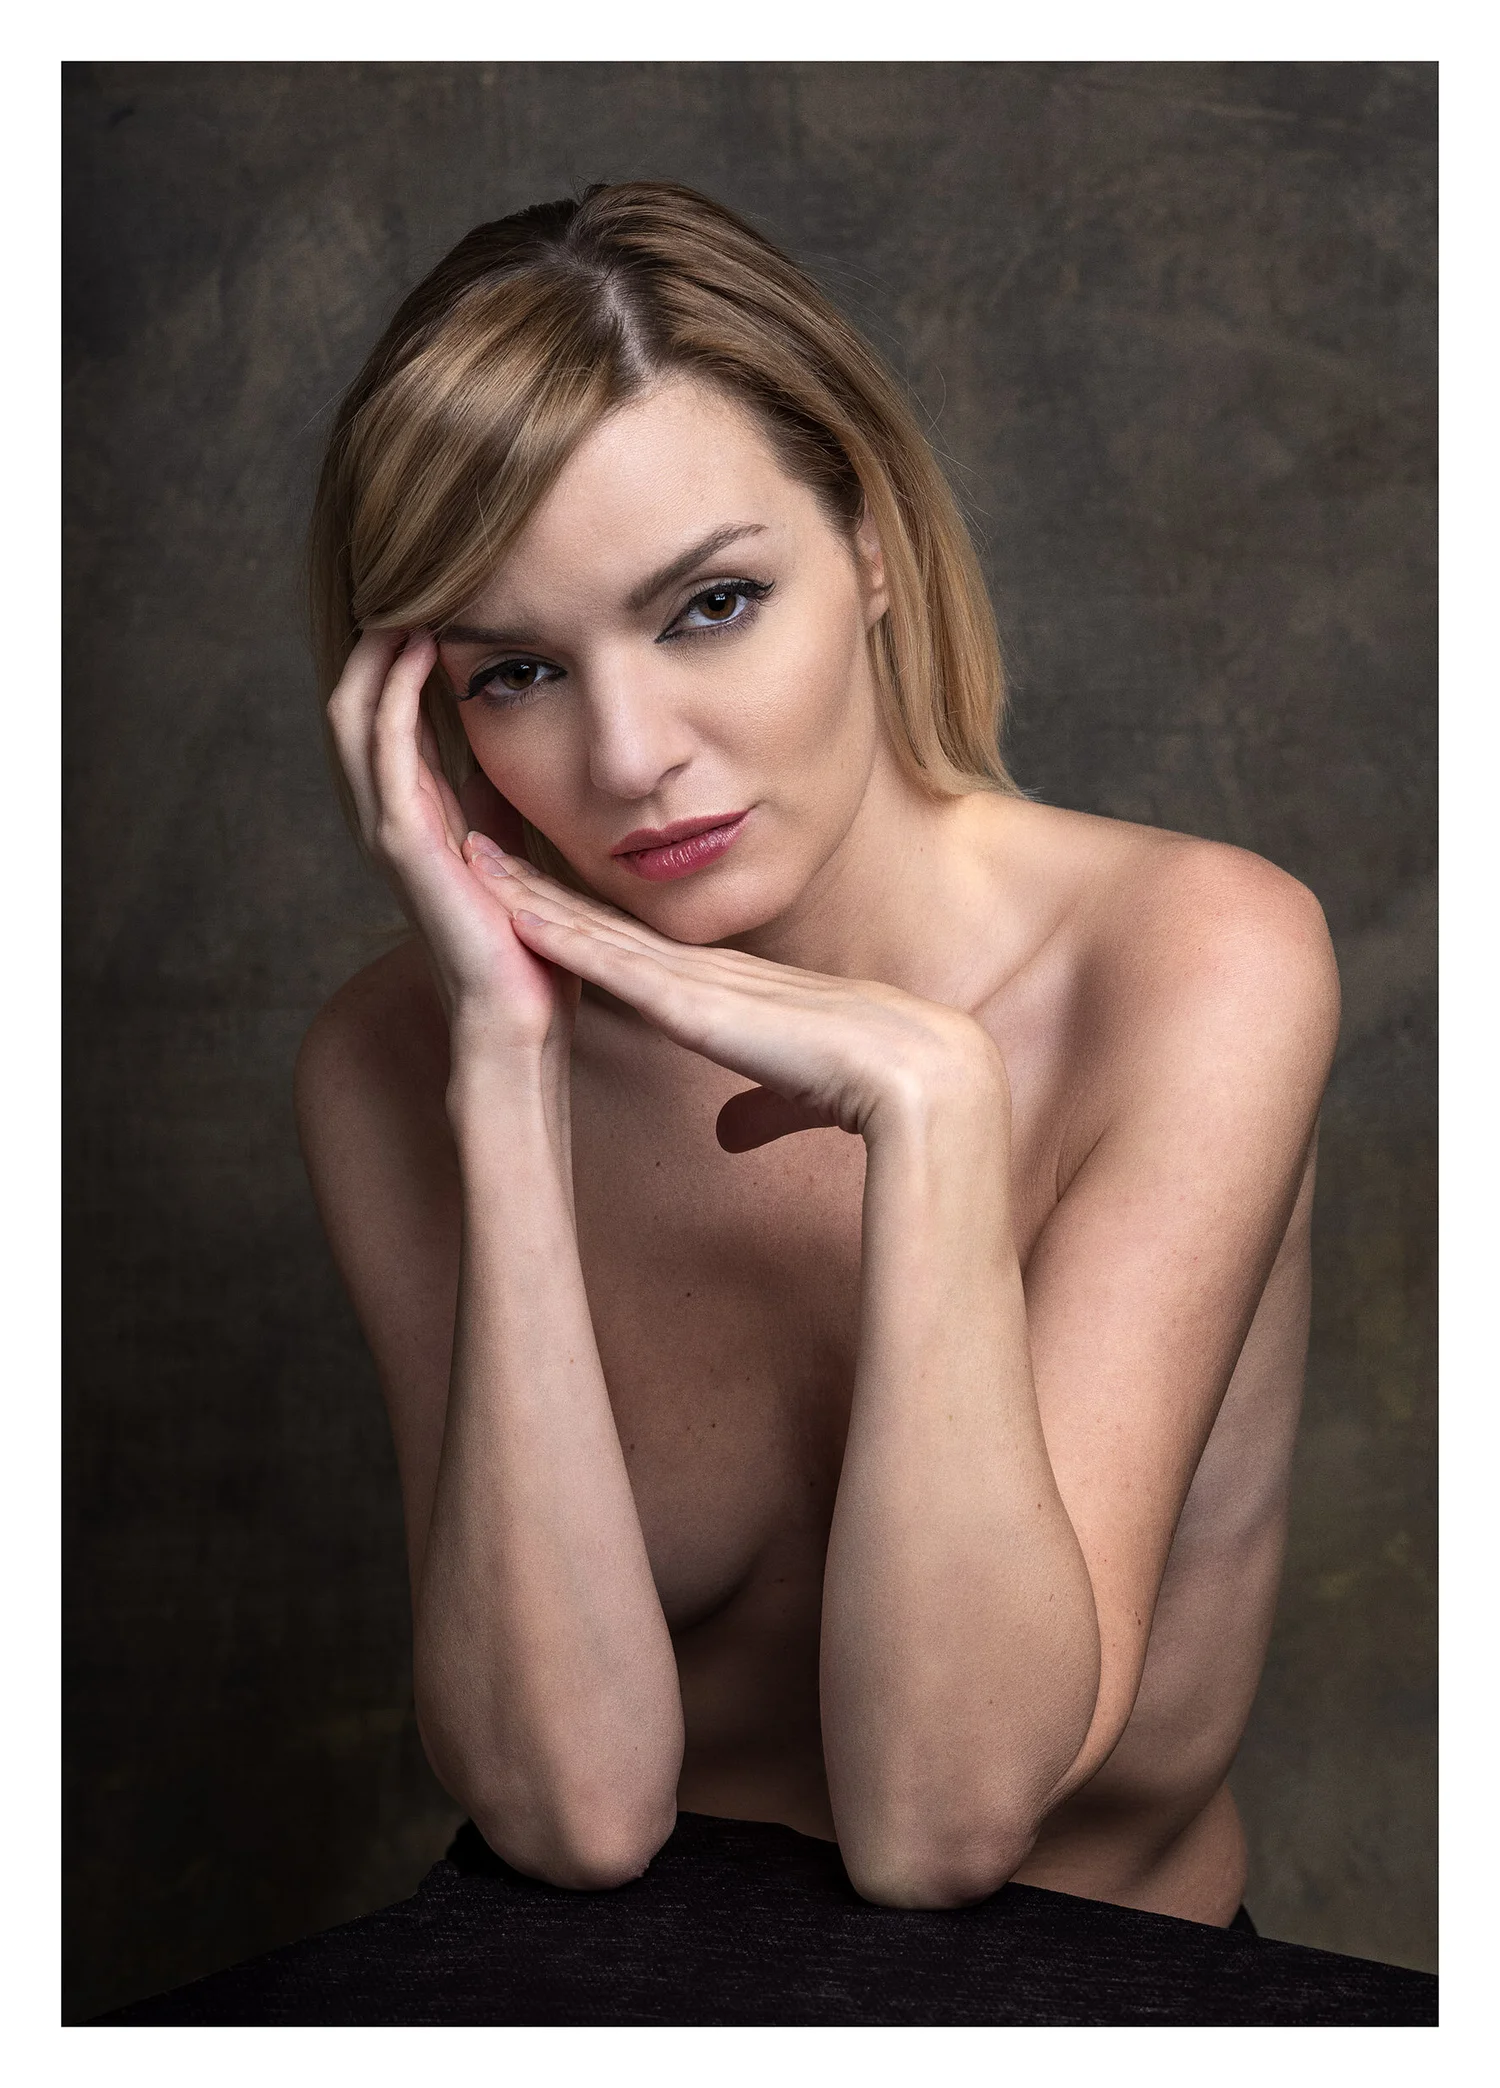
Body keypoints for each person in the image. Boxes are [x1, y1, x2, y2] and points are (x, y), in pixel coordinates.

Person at [295, 181, 1340, 1928]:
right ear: (417, 711)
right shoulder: (391, 1062)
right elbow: (568, 1812)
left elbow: (942, 1822)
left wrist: (932, 1107)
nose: (632, 755)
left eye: (709, 605)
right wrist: (505, 1068)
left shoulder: (1192, 963)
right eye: (517, 672)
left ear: (870, 546)